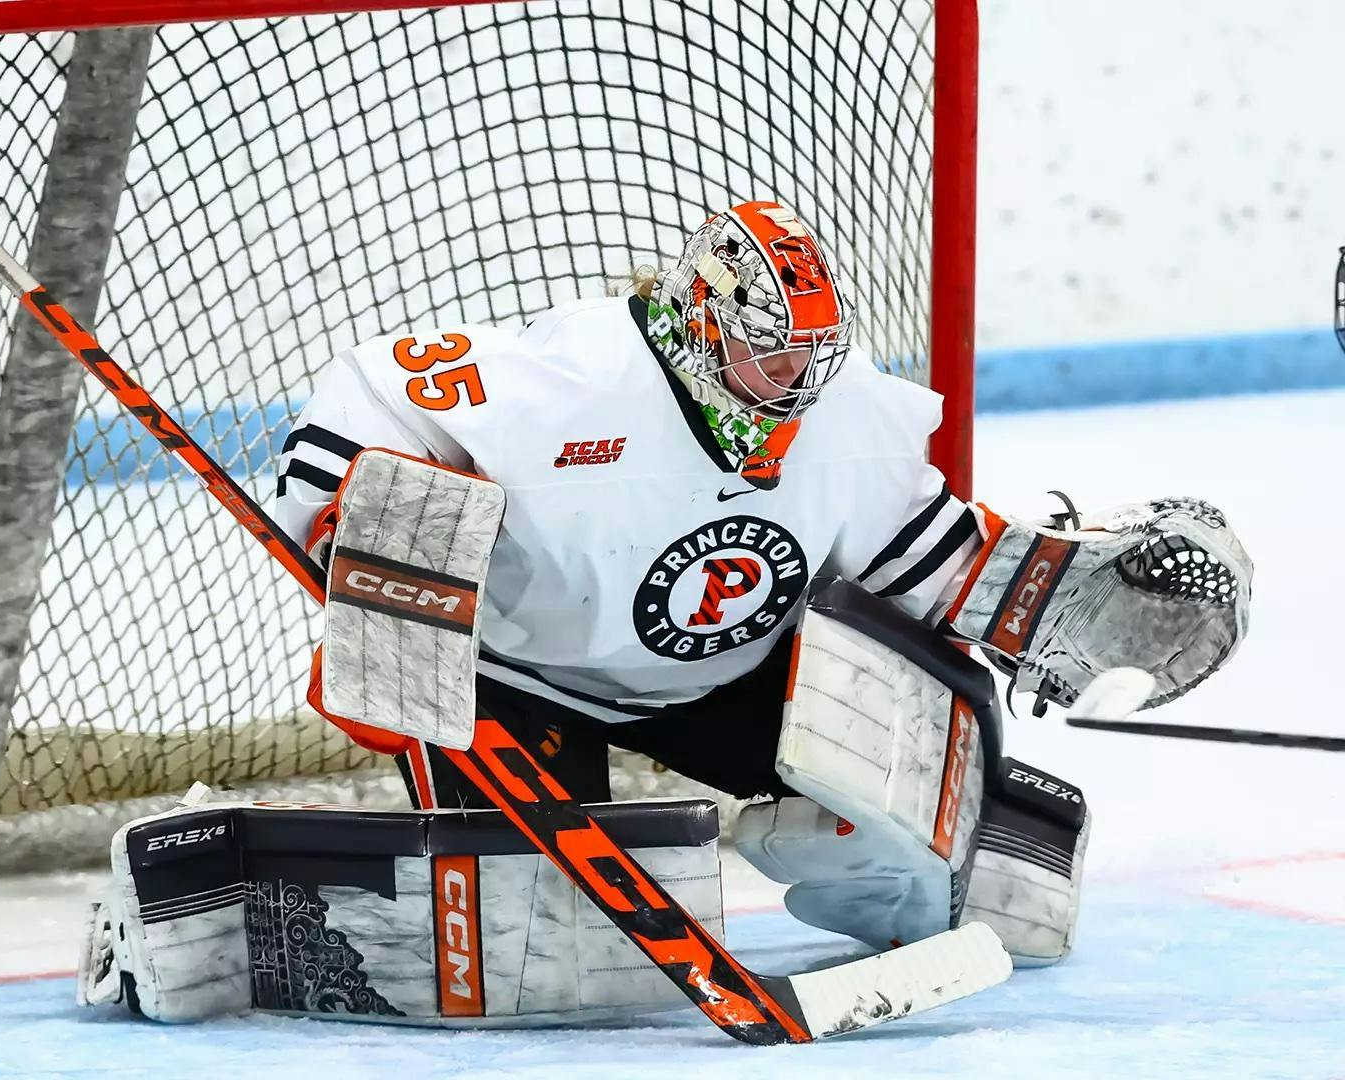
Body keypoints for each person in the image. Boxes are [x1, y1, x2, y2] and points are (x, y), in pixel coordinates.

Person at [79, 201, 1250, 1026]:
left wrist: (1045, 598)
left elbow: (925, 557)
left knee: (942, 778)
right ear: (697, 325)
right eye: (760, 360)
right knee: (547, 952)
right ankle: (219, 901)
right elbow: (376, 387)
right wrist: (362, 531)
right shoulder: (569, 377)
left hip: (731, 678)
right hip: (524, 680)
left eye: (803, 361)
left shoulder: (837, 417)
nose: (785, 388)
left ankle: (896, 853)